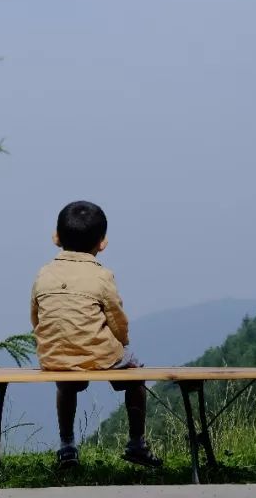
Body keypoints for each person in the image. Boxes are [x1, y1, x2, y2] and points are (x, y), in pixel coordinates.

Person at [30, 200, 162, 470]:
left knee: (66, 382)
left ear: (56, 238)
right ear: (102, 243)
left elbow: (36, 317)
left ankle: (67, 446)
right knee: (135, 375)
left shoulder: (44, 274)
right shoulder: (102, 276)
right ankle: (137, 443)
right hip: (100, 355)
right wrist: (122, 344)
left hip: (53, 356)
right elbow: (117, 320)